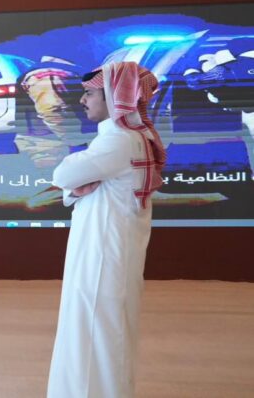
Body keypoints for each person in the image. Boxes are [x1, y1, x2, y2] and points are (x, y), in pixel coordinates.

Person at [47, 62, 166, 398]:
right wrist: (77, 184)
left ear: (114, 96)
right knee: (101, 335)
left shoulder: (118, 140)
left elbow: (62, 175)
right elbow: (77, 182)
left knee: (95, 336)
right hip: (108, 250)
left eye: (89, 93)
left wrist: (73, 179)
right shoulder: (130, 137)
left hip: (102, 255)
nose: (82, 100)